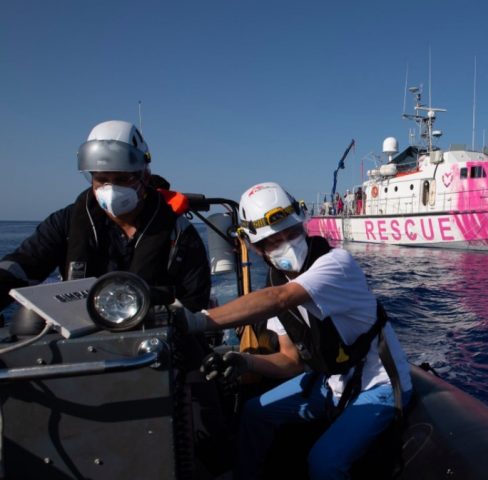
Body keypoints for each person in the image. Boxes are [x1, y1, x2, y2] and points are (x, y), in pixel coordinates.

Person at [174, 181, 413, 479]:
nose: (286, 244)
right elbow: (291, 361)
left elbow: (279, 300)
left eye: (292, 233)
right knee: (254, 413)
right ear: (256, 248)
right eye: (273, 241)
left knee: (324, 463)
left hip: (378, 386)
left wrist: (197, 320)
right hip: (331, 383)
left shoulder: (336, 265)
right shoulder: (277, 283)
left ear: (304, 227)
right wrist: (244, 361)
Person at [0, 120, 210, 314]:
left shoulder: (179, 233)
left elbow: (194, 300)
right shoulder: (65, 223)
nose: (111, 188)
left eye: (122, 179)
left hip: (153, 334)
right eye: (102, 179)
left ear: (144, 176)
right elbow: (24, 264)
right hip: (78, 337)